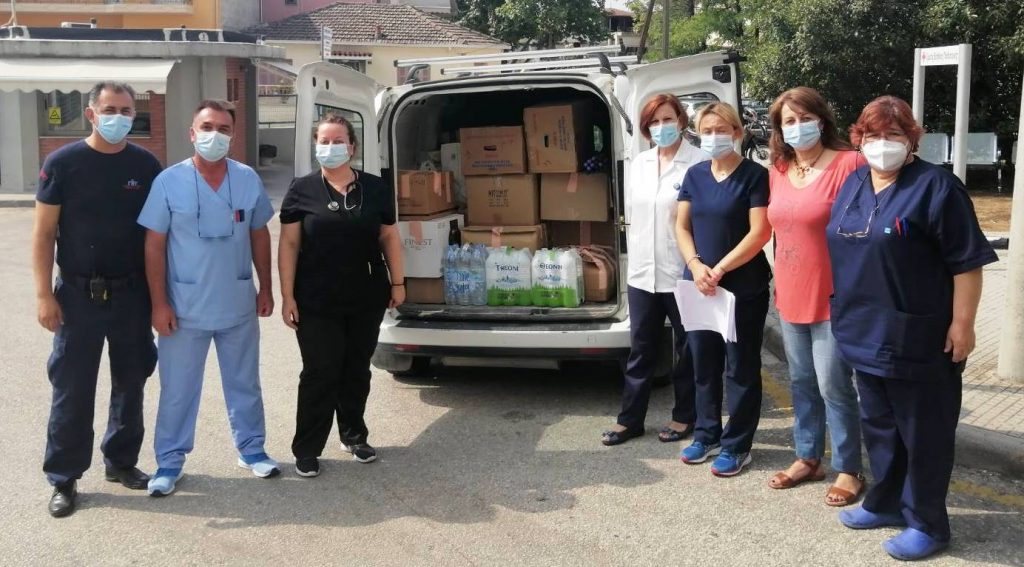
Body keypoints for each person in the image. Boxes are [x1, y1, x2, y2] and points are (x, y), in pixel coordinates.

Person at [828, 96, 996, 561]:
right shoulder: (855, 182)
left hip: (918, 337)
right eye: (873, 135)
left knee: (924, 436)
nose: (882, 144)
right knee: (880, 428)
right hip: (862, 330)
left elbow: (967, 263)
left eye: (894, 135)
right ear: (859, 139)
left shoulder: (938, 188)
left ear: (912, 140)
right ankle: (885, 503)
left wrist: (963, 324)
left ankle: (927, 523)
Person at [32, 82, 162, 517]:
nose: (118, 117)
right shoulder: (62, 163)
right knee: (72, 388)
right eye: (110, 109)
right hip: (77, 295)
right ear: (91, 114)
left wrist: (160, 297)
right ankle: (64, 477)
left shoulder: (145, 165)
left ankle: (121, 461)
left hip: (131, 293)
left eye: (126, 110)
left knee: (132, 380)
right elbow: (44, 234)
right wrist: (43, 295)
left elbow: (157, 236)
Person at [138, 100, 279, 496]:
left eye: (223, 129)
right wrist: (159, 303)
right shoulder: (168, 182)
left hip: (237, 301)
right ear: (192, 133)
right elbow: (153, 245)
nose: (214, 135)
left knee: (244, 382)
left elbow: (259, 233)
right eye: (207, 127)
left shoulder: (246, 178)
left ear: (233, 135)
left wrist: (266, 288)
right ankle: (169, 462)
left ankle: (252, 449)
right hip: (184, 307)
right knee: (178, 389)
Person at [278, 114, 405, 477]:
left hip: (366, 295)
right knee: (320, 371)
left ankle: (354, 435)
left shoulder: (375, 188)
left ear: (352, 147)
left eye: (338, 141)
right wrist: (287, 296)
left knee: (356, 369)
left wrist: (398, 282)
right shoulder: (301, 189)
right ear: (315, 145)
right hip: (316, 298)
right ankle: (307, 448)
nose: (331, 147)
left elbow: (388, 236)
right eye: (324, 141)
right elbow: (289, 244)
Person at [764, 87, 865, 505]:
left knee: (833, 385)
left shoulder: (850, 164)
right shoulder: (779, 168)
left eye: (804, 118)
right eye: (788, 120)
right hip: (790, 293)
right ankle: (808, 457)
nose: (797, 126)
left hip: (834, 296)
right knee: (802, 381)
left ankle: (848, 469)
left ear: (822, 120)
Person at [601, 94, 705, 446]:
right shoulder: (640, 163)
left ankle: (684, 416)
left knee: (688, 348)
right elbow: (632, 216)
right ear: (646, 128)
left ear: (681, 120)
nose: (662, 127)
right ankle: (630, 420)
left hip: (683, 271)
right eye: (654, 122)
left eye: (667, 119)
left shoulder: (698, 162)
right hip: (643, 273)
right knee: (641, 349)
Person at [674, 101, 772, 477]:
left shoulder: (754, 176)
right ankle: (706, 434)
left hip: (741, 288)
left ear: (737, 133)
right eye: (707, 131)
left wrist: (720, 269)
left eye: (721, 130)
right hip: (699, 286)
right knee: (703, 363)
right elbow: (682, 226)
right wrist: (696, 265)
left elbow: (759, 232)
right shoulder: (695, 175)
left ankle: (737, 445)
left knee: (740, 368)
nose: (714, 136)